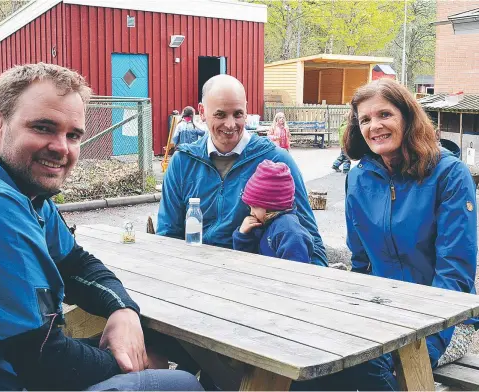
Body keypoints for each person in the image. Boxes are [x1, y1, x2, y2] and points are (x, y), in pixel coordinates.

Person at [0, 63, 203, 392]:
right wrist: (134, 363)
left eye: (73, 135)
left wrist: (123, 309)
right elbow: (45, 364)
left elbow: (75, 263)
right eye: (43, 127)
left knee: (162, 341)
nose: (61, 147)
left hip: (11, 364)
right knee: (178, 383)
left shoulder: (18, 185)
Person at [295, 78, 478, 391]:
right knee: (309, 358)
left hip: (445, 321)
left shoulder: (450, 175)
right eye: (365, 119)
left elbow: (455, 274)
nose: (374, 126)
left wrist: (422, 345)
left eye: (384, 115)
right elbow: (362, 264)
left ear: (407, 117)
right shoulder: (358, 180)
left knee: (371, 364)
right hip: (382, 312)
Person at [157, 74, 327, 267]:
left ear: (246, 111)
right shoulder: (183, 162)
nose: (230, 124)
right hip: (196, 274)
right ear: (202, 112)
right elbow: (167, 236)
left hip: (256, 279)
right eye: (220, 114)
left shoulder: (277, 160)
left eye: (238, 114)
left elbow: (311, 240)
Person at [232, 160, 313, 263]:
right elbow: (246, 260)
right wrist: (243, 235)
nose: (251, 212)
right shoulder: (264, 223)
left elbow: (296, 271)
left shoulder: (289, 232)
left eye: (255, 207)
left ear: (271, 205)